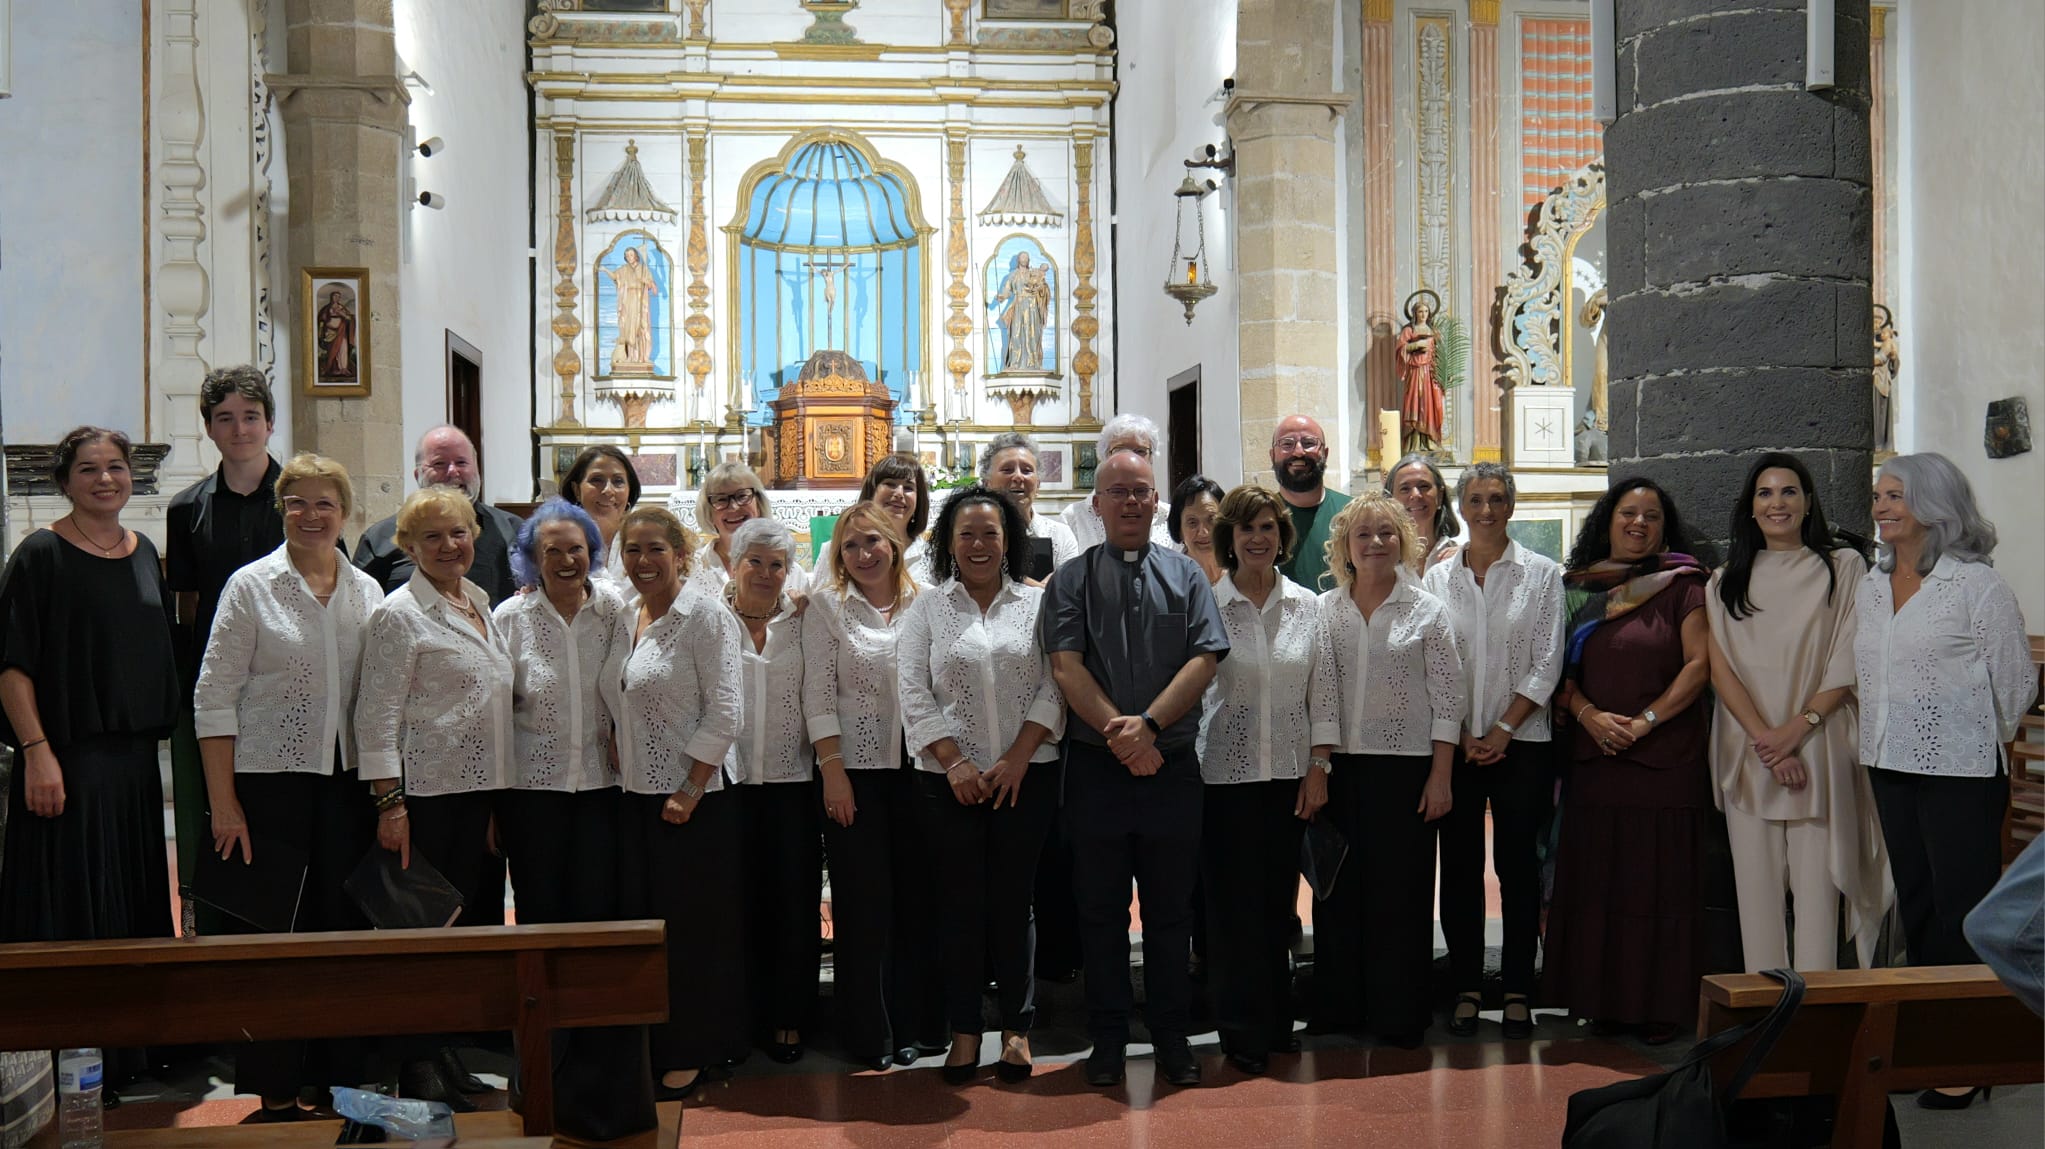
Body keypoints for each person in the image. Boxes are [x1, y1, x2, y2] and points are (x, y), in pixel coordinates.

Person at [192, 453, 385, 1118]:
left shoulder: (367, 591)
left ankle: (338, 1082)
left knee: (344, 936)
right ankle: (276, 1087)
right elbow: (213, 697)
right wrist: (223, 801)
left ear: (344, 511)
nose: (310, 514)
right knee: (277, 938)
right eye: (297, 502)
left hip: (347, 784)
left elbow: (381, 697)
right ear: (282, 509)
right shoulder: (251, 586)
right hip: (268, 785)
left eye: (324, 503)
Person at [1043, 448, 1229, 1089]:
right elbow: (1066, 666)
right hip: (1097, 771)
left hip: (1171, 768)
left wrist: (1148, 728)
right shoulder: (1071, 579)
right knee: (1100, 912)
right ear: (1096, 504)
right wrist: (1123, 738)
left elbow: (1205, 659)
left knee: (1171, 912)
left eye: (1141, 492)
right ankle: (1109, 1038)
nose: (1129, 501)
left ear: (1158, 504)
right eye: (1117, 491)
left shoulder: (1188, 576)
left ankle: (1173, 1038)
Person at [1855, 453, 2034, 1110]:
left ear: (1933, 502)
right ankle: (1929, 1041)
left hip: (1959, 770)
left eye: (1893, 494)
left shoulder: (1974, 585)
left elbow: (2016, 684)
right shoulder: (1871, 586)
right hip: (1887, 763)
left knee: (1963, 912)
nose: (1879, 506)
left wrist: (1968, 736)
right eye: (1876, 495)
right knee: (1919, 906)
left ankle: (1967, 1055)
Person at [354, 485, 515, 1107]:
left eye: (460, 533)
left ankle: (443, 1054)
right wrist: (389, 804)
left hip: (478, 794)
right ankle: (416, 1067)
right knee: (423, 934)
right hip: (426, 796)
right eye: (434, 537)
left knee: (465, 931)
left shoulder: (477, 600)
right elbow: (377, 716)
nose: (451, 546)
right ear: (409, 547)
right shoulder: (400, 614)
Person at [898, 486, 1065, 1086]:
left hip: (1028, 776)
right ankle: (965, 1031)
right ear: (948, 541)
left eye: (990, 533)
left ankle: (1017, 1031)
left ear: (1008, 540)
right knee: (961, 907)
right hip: (949, 784)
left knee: (1014, 903)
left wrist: (1020, 756)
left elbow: (1056, 684)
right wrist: (955, 763)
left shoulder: (1035, 604)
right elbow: (912, 690)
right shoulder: (927, 608)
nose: (978, 544)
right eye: (965, 533)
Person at [0, 430, 179, 967]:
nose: (105, 479)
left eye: (116, 467)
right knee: (70, 916)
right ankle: (72, 1046)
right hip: (66, 768)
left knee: (131, 910)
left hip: (135, 772)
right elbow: (11, 667)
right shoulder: (40, 554)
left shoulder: (144, 552)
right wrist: (36, 752)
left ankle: (136, 1049)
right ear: (64, 482)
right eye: (88, 469)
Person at [1544, 478, 1712, 1045]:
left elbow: (1698, 666)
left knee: (1657, 884)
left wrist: (1645, 723)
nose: (1638, 523)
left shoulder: (1684, 585)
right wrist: (1589, 714)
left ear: (1666, 529)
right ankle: (1601, 1001)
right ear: (1607, 520)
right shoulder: (1577, 589)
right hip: (1596, 759)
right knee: (1600, 884)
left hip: (1665, 761)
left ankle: (1660, 1006)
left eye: (1651, 516)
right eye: (1627, 513)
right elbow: (1558, 677)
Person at [1705, 454, 1887, 974]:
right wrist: (1768, 739)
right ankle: (1765, 1011)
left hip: (1819, 744)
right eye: (1765, 493)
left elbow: (1848, 655)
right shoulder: (1724, 580)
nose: (1777, 503)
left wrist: (1796, 730)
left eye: (1789, 492)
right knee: (1755, 896)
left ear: (1808, 503)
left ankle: (1817, 1015)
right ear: (1751, 507)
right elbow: (1721, 670)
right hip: (1750, 750)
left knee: (1817, 896)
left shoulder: (1842, 567)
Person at [603, 506, 747, 1100]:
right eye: (632, 550)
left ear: (681, 555)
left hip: (695, 800)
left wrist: (689, 788)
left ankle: (694, 1048)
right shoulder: (626, 616)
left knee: (693, 932)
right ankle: (658, 1040)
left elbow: (726, 710)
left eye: (655, 550)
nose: (642, 561)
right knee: (651, 928)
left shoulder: (706, 616)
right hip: (637, 796)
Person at [1310, 491, 1462, 1047]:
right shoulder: (1326, 610)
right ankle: (1341, 1007)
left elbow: (1449, 700)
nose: (1375, 543)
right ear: (1345, 546)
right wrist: (1318, 766)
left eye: (1386, 533)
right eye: (1363, 534)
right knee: (1338, 893)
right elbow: (1319, 692)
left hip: (1407, 772)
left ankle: (1399, 1014)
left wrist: (1441, 776)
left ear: (1404, 540)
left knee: (1400, 896)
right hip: (1340, 768)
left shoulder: (1428, 611)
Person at [1421, 463, 1564, 1040]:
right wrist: (1461, 733)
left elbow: (1547, 660)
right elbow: (1434, 662)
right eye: (1475, 499)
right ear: (1459, 505)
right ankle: (1464, 986)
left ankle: (1517, 988)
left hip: (1521, 744)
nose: (1486, 509)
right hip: (1453, 744)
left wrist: (1503, 729)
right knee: (1458, 869)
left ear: (1512, 505)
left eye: (1497, 498)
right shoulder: (1437, 580)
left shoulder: (1541, 574)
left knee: (1516, 867)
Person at [1198, 485, 1336, 1074]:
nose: (1258, 539)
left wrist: (1319, 766)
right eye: (1247, 529)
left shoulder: (1309, 605)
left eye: (1269, 528)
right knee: (1233, 913)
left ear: (1283, 538)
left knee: (1278, 906)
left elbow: (1322, 693)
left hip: (1288, 777)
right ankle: (1240, 1030)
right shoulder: (1206, 604)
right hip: (1223, 778)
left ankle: (1277, 1020)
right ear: (1229, 538)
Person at [803, 500, 942, 1071]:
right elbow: (816, 694)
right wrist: (832, 772)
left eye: (873, 542)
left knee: (918, 901)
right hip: (853, 773)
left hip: (922, 767)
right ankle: (870, 1032)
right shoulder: (827, 608)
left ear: (895, 543)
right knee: (864, 905)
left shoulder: (929, 602)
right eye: (851, 546)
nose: (863, 554)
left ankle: (917, 1024)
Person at [167, 365, 285, 936]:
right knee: (215, 812)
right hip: (216, 687)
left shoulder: (300, 499)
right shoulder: (186, 509)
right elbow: (189, 607)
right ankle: (216, 929)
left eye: (250, 417)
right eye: (225, 419)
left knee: (274, 814)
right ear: (209, 429)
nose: (240, 429)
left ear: (269, 423)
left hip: (286, 683)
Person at [720, 518, 820, 1066]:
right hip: (726, 781)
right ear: (734, 564)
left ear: (790, 570)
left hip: (791, 781)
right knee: (733, 904)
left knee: (792, 903)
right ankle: (738, 1018)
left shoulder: (804, 619)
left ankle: (788, 1017)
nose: (764, 573)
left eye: (776, 564)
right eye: (753, 561)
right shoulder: (709, 617)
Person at [354, 425, 525, 606]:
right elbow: (358, 606)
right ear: (417, 474)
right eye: (439, 464)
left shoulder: (514, 529)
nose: (453, 471)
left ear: (476, 469)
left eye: (461, 462)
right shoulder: (379, 538)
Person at [1060, 414, 1175, 551]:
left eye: (1140, 451)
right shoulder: (1073, 518)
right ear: (1104, 456)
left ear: (1151, 458)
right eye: (1120, 450)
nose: (1130, 458)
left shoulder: (1171, 517)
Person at [690, 461, 805, 596]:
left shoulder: (790, 571)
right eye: (721, 499)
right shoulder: (692, 569)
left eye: (742, 496)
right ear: (708, 512)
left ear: (759, 504)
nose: (734, 507)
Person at [1271, 415, 1351, 592]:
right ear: (1272, 455)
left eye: (1309, 443)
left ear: (1326, 453)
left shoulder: (1353, 513)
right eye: (1287, 444)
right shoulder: (1260, 517)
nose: (1298, 452)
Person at [980, 432, 1080, 571]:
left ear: (1038, 484)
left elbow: (1070, 586)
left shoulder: (1060, 535)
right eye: (1007, 470)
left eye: (1027, 471)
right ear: (986, 483)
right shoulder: (971, 535)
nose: (1018, 477)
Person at [558, 445, 640, 585]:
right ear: (577, 490)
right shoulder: (558, 541)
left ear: (629, 490)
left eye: (618, 481)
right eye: (596, 480)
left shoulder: (643, 538)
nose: (608, 490)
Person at [859, 452, 935, 588]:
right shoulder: (841, 550)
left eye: (908, 488)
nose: (899, 493)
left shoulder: (931, 556)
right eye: (890, 484)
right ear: (872, 492)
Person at [1385, 453, 1460, 570]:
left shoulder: (1461, 558)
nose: (1416, 495)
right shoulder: (1381, 559)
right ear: (1390, 500)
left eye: (1424, 486)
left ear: (1440, 496)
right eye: (1405, 489)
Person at [1396, 291, 1445, 454]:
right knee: (1415, 404)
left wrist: (1445, 374)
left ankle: (1430, 441)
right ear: (1414, 313)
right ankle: (1414, 444)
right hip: (1415, 372)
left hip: (1430, 374)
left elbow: (1442, 353)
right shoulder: (1409, 330)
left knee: (1431, 406)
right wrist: (1415, 346)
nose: (1423, 314)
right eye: (1420, 311)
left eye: (1425, 311)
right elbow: (1400, 349)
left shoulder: (1434, 331)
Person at [1168, 476, 1225, 585]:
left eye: (1211, 520)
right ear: (1179, 530)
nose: (1203, 532)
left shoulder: (1243, 574)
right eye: (1192, 522)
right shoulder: (1169, 582)